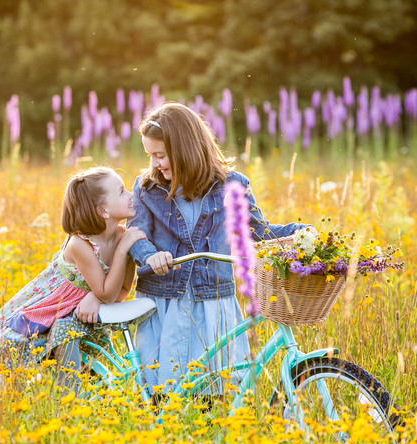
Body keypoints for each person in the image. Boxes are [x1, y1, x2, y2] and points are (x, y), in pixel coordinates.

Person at [128, 102, 308, 395]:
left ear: (185, 148)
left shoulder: (231, 185)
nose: (155, 164)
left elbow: (257, 232)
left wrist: (299, 234)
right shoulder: (147, 187)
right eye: (151, 156)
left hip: (212, 302)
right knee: (165, 388)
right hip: (164, 302)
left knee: (215, 390)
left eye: (161, 155)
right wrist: (150, 256)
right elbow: (136, 234)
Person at [0, 166, 145, 393]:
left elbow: (122, 290)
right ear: (104, 211)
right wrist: (121, 253)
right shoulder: (80, 244)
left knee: (67, 330)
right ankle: (65, 399)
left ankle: (72, 397)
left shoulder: (122, 236)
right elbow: (106, 292)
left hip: (77, 312)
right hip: (49, 308)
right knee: (13, 361)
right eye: (121, 192)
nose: (131, 195)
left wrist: (95, 297)